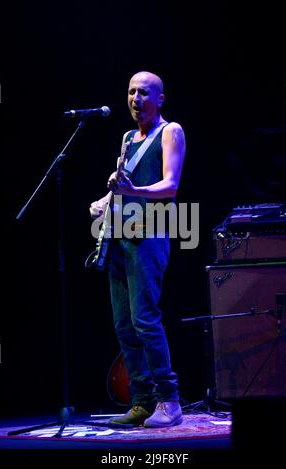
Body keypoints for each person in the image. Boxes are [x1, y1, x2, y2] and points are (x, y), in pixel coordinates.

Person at [89, 71, 186, 427]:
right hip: (121, 234)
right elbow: (126, 185)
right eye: (130, 92)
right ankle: (142, 401)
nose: (135, 98)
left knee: (145, 319)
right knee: (123, 324)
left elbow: (169, 186)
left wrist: (131, 192)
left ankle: (169, 401)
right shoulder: (128, 137)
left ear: (159, 98)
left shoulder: (170, 131)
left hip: (152, 232)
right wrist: (103, 200)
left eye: (143, 92)